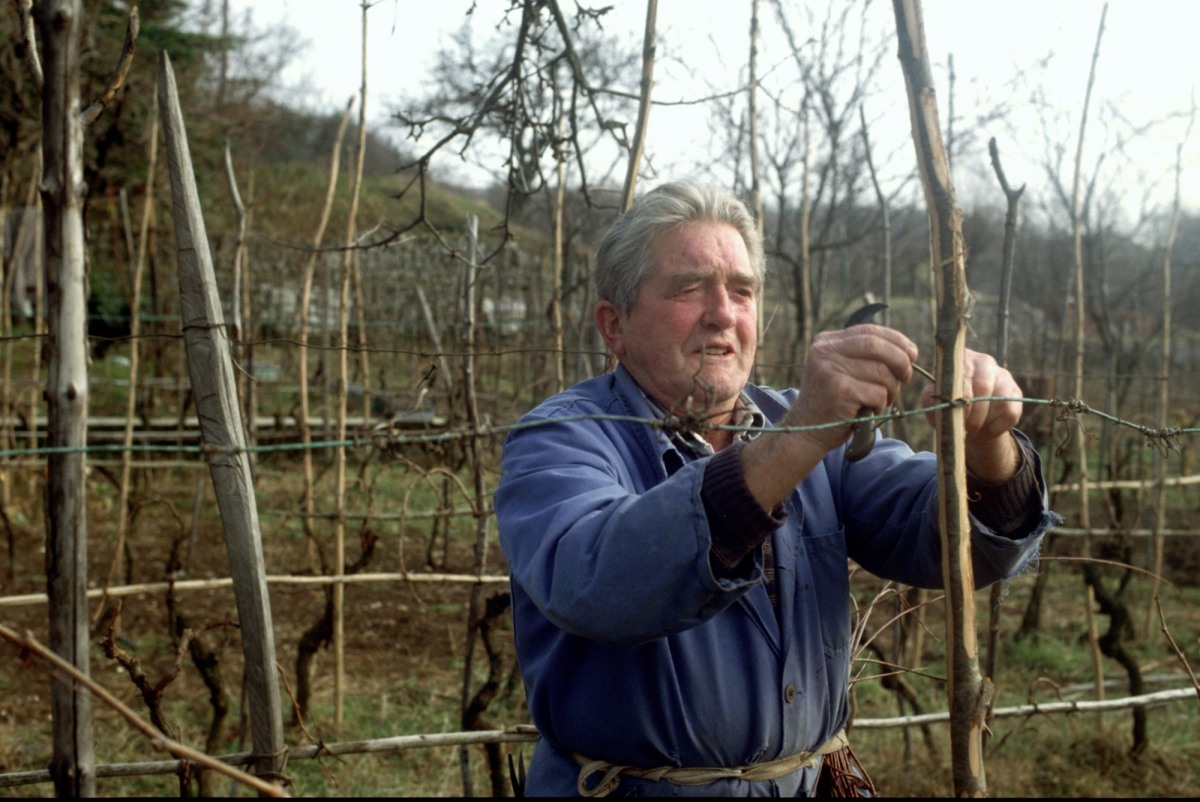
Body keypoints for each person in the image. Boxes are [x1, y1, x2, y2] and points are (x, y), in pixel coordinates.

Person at [494, 179, 1060, 797]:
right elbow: (597, 581)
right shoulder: (560, 439)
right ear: (614, 324)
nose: (723, 312)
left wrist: (989, 442)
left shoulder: (810, 430)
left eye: (742, 291)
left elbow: (949, 542)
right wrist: (793, 443)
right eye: (689, 288)